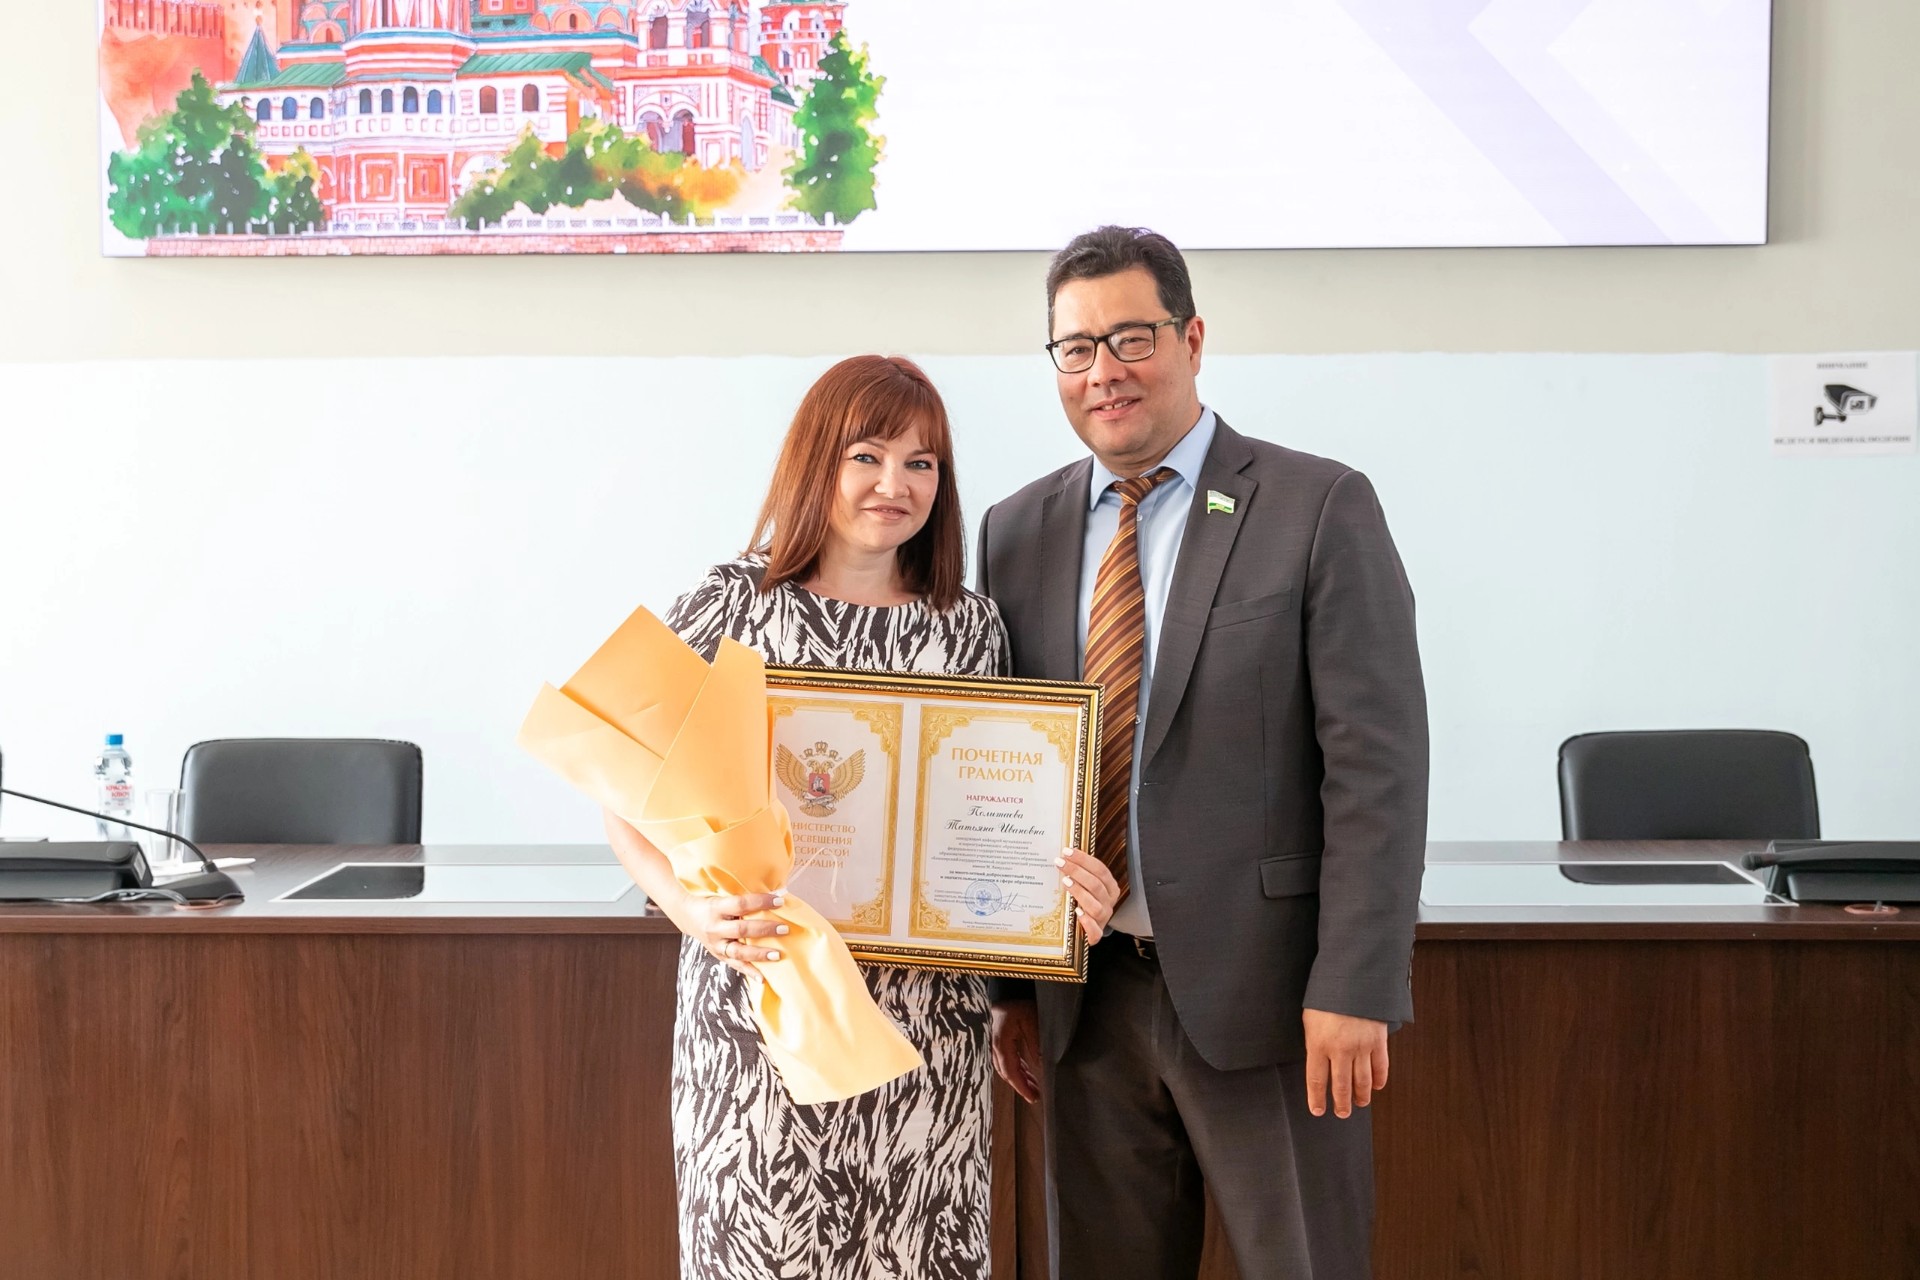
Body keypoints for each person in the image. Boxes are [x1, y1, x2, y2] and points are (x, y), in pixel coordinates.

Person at [601, 354, 1121, 1280]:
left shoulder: (969, 627)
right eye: (868, 456)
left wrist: (1053, 901)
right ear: (817, 461)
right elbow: (620, 784)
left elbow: (999, 811)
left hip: (930, 1033)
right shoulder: (733, 605)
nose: (895, 484)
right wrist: (687, 907)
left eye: (922, 463)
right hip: (763, 1018)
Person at [976, 228, 1430, 1280]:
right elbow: (1001, 766)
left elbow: (1378, 769)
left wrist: (1357, 981)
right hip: (1087, 1006)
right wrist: (1011, 988)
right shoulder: (1016, 529)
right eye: (1076, 348)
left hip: (1275, 1003)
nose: (1104, 370)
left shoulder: (1316, 506)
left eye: (1131, 337)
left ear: (1191, 339)